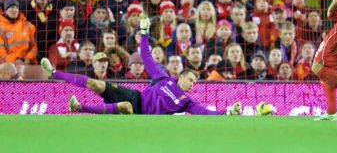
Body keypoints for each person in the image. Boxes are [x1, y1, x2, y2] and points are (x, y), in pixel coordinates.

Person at [40, 14, 243, 116]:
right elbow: (146, 57)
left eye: (194, 84)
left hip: (142, 113)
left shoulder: (185, 101)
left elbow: (205, 113)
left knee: (126, 107)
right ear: (181, 76)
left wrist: (227, 112)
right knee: (96, 84)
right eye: (191, 80)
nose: (192, 85)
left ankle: (79, 107)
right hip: (135, 96)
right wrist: (144, 33)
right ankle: (54, 73)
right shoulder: (163, 78)